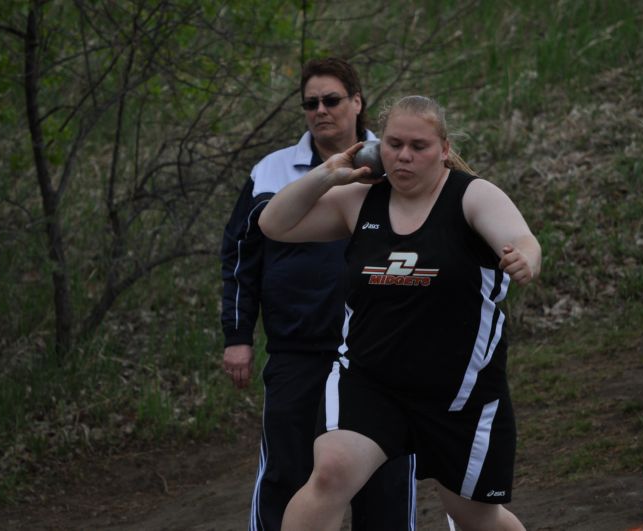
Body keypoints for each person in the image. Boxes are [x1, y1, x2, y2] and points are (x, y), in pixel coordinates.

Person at [258, 95, 541, 531]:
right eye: (393, 144)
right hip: (371, 381)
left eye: (419, 146)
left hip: (457, 392)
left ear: (444, 149)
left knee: (474, 515)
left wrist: (524, 258)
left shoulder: (472, 196)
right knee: (330, 474)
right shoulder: (358, 200)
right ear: (377, 146)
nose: (404, 156)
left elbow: (523, 240)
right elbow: (274, 225)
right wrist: (326, 174)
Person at [219, 58, 416, 531]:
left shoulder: (396, 159)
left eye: (331, 100)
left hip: (380, 352)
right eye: (311, 103)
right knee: (288, 474)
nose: (321, 111)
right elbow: (240, 254)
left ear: (357, 101)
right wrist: (238, 334)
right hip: (298, 349)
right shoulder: (272, 171)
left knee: (384, 479)